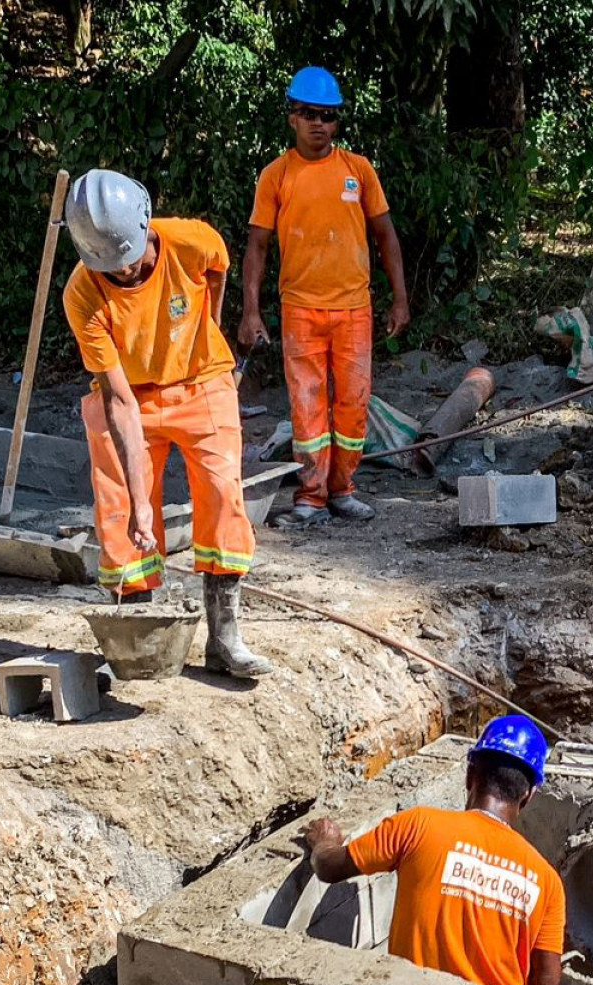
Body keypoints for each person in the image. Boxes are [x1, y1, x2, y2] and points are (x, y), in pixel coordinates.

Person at [302, 715, 565, 985]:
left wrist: (324, 839)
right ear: (530, 795)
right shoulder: (546, 881)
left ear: (470, 774)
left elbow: (331, 868)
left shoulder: (419, 826)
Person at [61, 168, 271, 678]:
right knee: (118, 509)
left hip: (202, 381)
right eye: (112, 267)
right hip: (129, 394)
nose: (124, 274)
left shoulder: (192, 242)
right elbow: (119, 403)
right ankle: (137, 638)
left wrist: (209, 333)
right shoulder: (82, 294)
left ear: (145, 226)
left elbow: (217, 270)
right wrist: (139, 506)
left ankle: (224, 640)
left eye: (130, 261)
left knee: (224, 494)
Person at [240, 65, 409, 530]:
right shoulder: (276, 176)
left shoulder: (359, 170)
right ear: (292, 117)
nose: (320, 124)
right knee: (308, 409)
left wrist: (400, 299)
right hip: (300, 310)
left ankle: (343, 490)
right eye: (310, 114)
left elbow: (385, 236)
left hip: (354, 310)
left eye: (329, 116)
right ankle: (310, 496)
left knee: (353, 406)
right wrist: (250, 311)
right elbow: (257, 245)